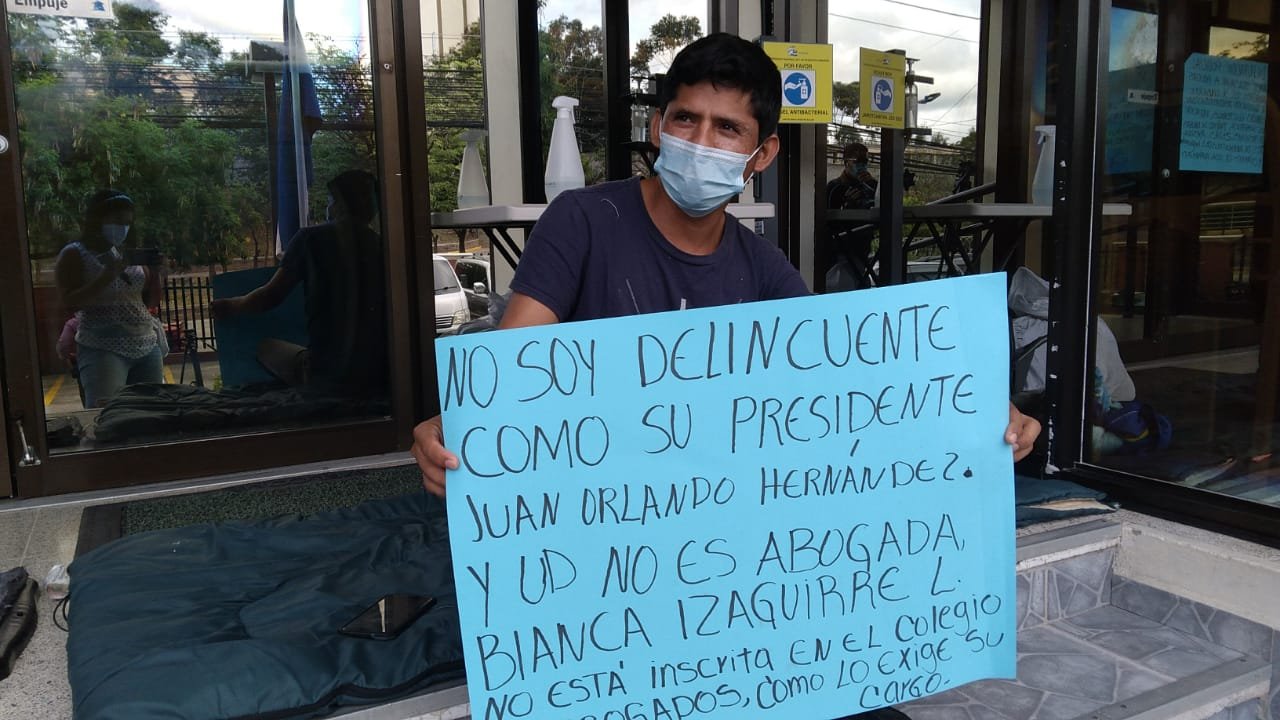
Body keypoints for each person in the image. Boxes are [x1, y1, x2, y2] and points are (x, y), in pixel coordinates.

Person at [412, 33, 1040, 496]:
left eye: (728, 129)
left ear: (761, 155)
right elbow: (514, 361)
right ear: (657, 127)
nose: (700, 142)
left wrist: (978, 413)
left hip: (709, 539)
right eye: (686, 119)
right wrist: (464, 423)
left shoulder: (764, 270)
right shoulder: (581, 222)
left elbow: (853, 376)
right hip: (594, 525)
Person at [211, 170, 387, 394]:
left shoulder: (311, 239)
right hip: (374, 371)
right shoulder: (382, 246)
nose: (328, 207)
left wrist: (231, 305)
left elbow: (270, 296)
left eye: (331, 200)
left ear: (340, 203)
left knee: (266, 348)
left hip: (324, 371)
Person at [54, 190, 165, 408]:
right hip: (102, 347)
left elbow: (150, 302)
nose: (122, 228)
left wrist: (156, 272)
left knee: (151, 414)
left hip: (146, 344)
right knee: (106, 415)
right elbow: (69, 303)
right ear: (98, 219)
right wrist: (107, 275)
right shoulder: (75, 253)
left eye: (127, 223)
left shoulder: (125, 253)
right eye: (117, 221)